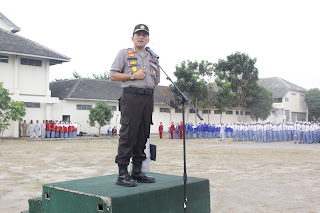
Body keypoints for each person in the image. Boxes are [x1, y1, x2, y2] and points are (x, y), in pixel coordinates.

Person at [109, 24, 160, 187]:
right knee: (128, 133)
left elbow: (156, 80)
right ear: (132, 38)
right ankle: (122, 173)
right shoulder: (124, 54)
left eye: (144, 35)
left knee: (142, 134)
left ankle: (137, 171)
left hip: (147, 98)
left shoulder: (153, 58)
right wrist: (133, 75)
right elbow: (112, 75)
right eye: (138, 34)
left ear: (148, 39)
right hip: (131, 97)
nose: (141, 37)